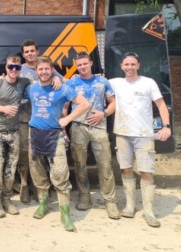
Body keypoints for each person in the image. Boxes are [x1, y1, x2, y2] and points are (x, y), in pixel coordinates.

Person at [24, 56, 89, 231]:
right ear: (36, 72)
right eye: (40, 69)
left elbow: (84, 104)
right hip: (35, 134)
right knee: (37, 173)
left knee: (60, 174)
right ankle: (43, 204)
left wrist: (67, 119)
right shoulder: (31, 88)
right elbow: (13, 86)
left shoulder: (62, 88)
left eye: (46, 69)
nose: (43, 72)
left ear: (52, 69)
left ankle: (65, 213)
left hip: (55, 135)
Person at [109, 52, 171, 228]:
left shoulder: (148, 83)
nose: (129, 67)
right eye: (126, 64)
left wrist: (166, 126)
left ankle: (148, 212)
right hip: (122, 134)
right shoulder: (115, 83)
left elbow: (161, 105)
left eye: (132, 64)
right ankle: (130, 206)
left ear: (138, 65)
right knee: (126, 170)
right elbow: (90, 78)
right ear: (122, 66)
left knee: (146, 172)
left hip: (144, 135)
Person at [65, 51, 120, 219]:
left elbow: (113, 103)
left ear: (90, 63)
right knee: (79, 164)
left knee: (105, 165)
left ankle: (110, 202)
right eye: (79, 64)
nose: (82, 67)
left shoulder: (102, 82)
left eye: (84, 64)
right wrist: (62, 124)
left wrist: (103, 114)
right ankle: (84, 197)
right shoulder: (73, 82)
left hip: (99, 128)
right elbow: (66, 105)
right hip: (78, 128)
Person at [0, 55, 31, 218]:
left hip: (14, 132)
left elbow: (45, 80)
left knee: (10, 169)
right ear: (6, 67)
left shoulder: (23, 83)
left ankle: (7, 199)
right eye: (11, 67)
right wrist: (3, 109)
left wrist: (60, 80)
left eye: (17, 67)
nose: (14, 70)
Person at [17, 39, 64, 203]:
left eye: (32, 51)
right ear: (23, 54)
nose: (30, 54)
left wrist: (58, 79)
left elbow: (63, 83)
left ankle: (44, 188)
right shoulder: (19, 69)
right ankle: (24, 185)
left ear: (37, 52)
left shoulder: (47, 67)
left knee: (43, 156)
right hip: (24, 119)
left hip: (45, 120)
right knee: (25, 154)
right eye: (26, 51)